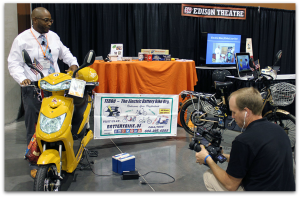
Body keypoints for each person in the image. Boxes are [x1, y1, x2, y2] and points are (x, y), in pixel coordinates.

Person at [7, 7, 79, 179]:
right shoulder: (22, 39)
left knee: (58, 120)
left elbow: (65, 53)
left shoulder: (53, 37)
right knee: (34, 125)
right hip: (33, 87)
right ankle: (34, 161)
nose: (49, 23)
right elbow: (13, 63)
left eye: (50, 20)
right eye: (46, 20)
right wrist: (22, 79)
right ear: (34, 20)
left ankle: (57, 152)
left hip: (56, 87)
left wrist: (73, 64)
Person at [195, 87, 296, 191]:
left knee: (208, 176)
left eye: (234, 112)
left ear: (246, 112)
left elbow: (231, 185)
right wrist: (222, 156)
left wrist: (208, 159)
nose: (232, 117)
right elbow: (256, 159)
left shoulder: (243, 141)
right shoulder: (279, 130)